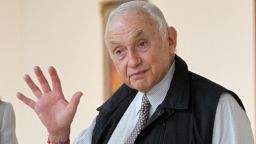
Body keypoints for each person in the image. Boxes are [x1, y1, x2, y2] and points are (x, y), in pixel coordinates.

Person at [17, 1, 254, 144]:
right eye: (119, 51)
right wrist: (58, 135)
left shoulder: (219, 107)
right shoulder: (113, 110)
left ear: (170, 40)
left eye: (142, 44)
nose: (132, 60)